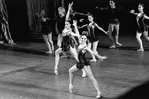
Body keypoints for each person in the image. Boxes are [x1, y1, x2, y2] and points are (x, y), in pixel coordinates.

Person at [68, 34, 107, 99]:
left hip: (84, 64)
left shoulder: (86, 47)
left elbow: (93, 52)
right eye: (82, 38)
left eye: (84, 38)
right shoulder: (79, 44)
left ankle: (99, 92)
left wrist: (100, 56)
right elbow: (75, 34)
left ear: (86, 40)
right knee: (70, 71)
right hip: (79, 63)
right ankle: (71, 85)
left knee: (92, 78)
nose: (83, 39)